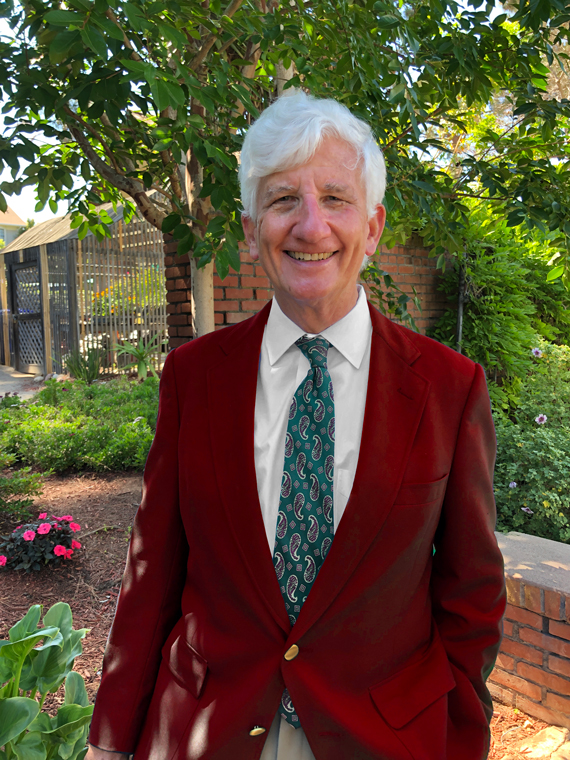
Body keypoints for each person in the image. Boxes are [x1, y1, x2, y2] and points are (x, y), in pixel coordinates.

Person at [86, 91, 506, 760]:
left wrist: (458, 737)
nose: (311, 227)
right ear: (251, 232)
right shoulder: (194, 379)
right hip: (208, 731)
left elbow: (472, 594)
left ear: (372, 227)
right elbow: (152, 574)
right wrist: (111, 738)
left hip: (382, 738)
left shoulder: (449, 388)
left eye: (335, 199)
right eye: (284, 200)